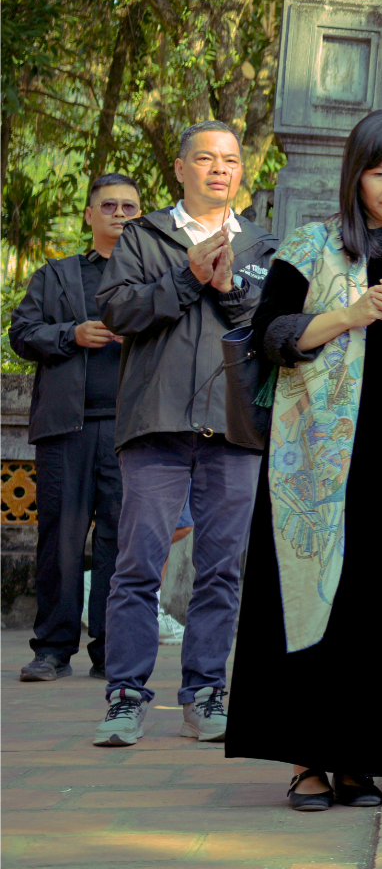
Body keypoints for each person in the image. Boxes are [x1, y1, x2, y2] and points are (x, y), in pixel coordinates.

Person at [225, 111, 382, 809]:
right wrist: (350, 313)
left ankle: (363, 758)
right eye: (380, 171)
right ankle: (309, 758)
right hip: (316, 460)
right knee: (317, 601)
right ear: (356, 175)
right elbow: (271, 335)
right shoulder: (310, 246)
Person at [92, 122, 278, 747]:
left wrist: (228, 287)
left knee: (222, 568)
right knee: (136, 565)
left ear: (240, 172)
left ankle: (206, 689)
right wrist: (187, 278)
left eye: (229, 160)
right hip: (156, 424)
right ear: (179, 168)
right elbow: (117, 311)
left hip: (233, 425)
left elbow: (273, 327)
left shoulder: (261, 245)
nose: (219, 170)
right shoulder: (144, 237)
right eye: (205, 159)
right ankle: (124, 694)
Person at [11, 174, 140, 682]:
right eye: (108, 205)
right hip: (67, 427)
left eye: (129, 207)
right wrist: (72, 333)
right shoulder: (56, 275)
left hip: (132, 429)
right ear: (89, 215)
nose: (119, 213)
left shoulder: (149, 280)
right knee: (60, 539)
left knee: (119, 542)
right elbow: (22, 334)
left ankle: (110, 650)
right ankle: (53, 649)